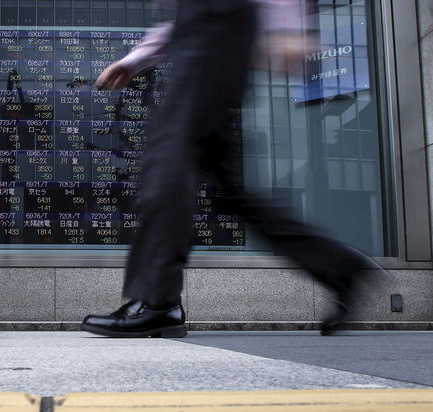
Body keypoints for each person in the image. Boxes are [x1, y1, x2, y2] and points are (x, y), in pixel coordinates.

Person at [82, 0, 377, 338]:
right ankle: (340, 266)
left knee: (168, 157)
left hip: (217, 26)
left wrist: (288, 24)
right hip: (210, 31)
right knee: (226, 189)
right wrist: (139, 58)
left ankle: (157, 300)